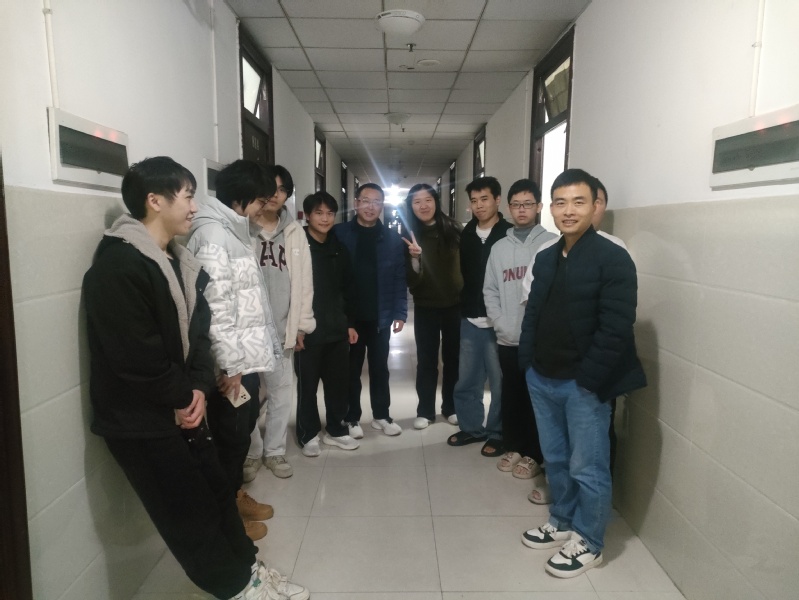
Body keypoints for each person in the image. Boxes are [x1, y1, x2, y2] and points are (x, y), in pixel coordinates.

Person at [83, 156, 309, 599]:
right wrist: (187, 394)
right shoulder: (119, 267)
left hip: (185, 406)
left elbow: (200, 332)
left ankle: (248, 572)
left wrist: (197, 389)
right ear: (155, 201)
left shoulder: (176, 258)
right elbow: (136, 356)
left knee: (216, 497)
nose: (194, 205)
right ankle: (238, 589)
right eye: (187, 196)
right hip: (143, 421)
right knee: (190, 516)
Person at [518, 168, 646, 578]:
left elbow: (616, 328)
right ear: (551, 209)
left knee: (587, 467)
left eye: (578, 202)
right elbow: (533, 314)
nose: (568, 210)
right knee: (556, 459)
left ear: (595, 206)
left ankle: (590, 541)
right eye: (560, 202)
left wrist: (590, 380)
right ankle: (562, 520)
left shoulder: (613, 257)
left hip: (584, 385)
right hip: (543, 377)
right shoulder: (546, 257)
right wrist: (527, 362)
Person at [186, 159, 281, 542]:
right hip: (230, 367)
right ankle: (226, 519)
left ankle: (234, 497)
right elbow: (216, 309)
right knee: (230, 438)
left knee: (240, 433)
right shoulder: (213, 235)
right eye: (260, 201)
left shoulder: (234, 231)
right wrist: (231, 366)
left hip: (243, 359)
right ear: (241, 199)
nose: (264, 209)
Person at [483, 179, 557, 487]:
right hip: (507, 337)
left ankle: (535, 454)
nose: (522, 210)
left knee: (537, 398)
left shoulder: (552, 243)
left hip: (541, 341)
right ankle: (514, 446)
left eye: (528, 204)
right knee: (511, 394)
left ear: (539, 207)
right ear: (508, 208)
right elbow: (490, 290)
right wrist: (500, 321)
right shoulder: (499, 248)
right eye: (516, 205)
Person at [245, 165, 315, 480]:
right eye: (270, 188)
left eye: (282, 189)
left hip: (282, 327)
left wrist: (301, 325)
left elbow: (305, 283)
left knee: (281, 393)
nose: (275, 194)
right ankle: (251, 452)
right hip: (247, 330)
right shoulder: (242, 227)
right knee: (246, 396)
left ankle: (274, 451)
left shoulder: (294, 231)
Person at [334, 183, 408, 437]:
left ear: (382, 206)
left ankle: (381, 415)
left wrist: (400, 312)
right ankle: (351, 417)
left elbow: (399, 277)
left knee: (380, 369)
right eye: (366, 200)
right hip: (351, 317)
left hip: (380, 317)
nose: (370, 206)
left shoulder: (391, 238)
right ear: (356, 203)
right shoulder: (340, 233)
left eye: (376, 202)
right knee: (351, 371)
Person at [447, 176, 511, 457]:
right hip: (470, 317)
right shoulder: (466, 235)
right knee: (468, 380)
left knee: (500, 382)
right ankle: (472, 428)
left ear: (497, 200)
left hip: (500, 321)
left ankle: (498, 433)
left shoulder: (509, 234)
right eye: (474, 201)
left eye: (484, 199)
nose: (479, 205)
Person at [295, 191, 360, 456]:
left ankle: (336, 429)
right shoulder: (298, 247)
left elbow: (349, 288)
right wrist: (296, 328)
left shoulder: (339, 248)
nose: (325, 218)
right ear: (308, 216)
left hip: (336, 329)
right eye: (319, 213)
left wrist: (350, 323)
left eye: (330, 213)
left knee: (337, 385)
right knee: (307, 386)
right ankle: (308, 433)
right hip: (308, 331)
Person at [401, 183, 463, 430]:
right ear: (411, 206)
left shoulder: (454, 229)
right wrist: (415, 258)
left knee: (453, 359)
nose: (423, 206)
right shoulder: (408, 234)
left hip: (455, 305)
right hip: (425, 305)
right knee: (426, 360)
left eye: (427, 200)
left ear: (436, 202)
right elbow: (410, 279)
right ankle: (425, 411)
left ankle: (451, 407)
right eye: (417, 201)